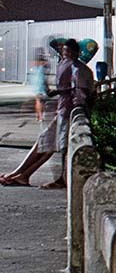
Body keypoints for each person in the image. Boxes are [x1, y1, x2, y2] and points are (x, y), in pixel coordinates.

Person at [0, 39, 96, 188]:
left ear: (76, 52)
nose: (65, 54)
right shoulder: (67, 65)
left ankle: (31, 175)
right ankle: (21, 173)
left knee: (58, 145)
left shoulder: (78, 68)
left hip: (69, 111)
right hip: (63, 109)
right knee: (47, 142)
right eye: (65, 51)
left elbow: (80, 91)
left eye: (68, 51)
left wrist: (76, 106)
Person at [28, 54, 48, 122]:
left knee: (38, 101)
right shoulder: (41, 68)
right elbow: (43, 79)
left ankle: (38, 115)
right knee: (40, 101)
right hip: (40, 86)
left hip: (36, 86)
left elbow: (31, 78)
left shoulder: (34, 68)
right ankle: (40, 116)